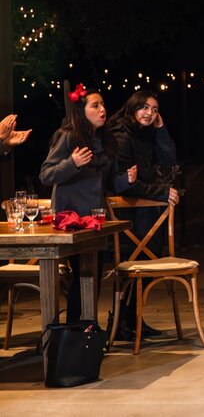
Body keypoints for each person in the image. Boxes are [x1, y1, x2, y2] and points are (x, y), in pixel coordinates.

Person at [40, 84, 137, 322]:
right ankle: (76, 332)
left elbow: (111, 182)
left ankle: (86, 332)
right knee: (82, 277)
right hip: (70, 220)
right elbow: (45, 175)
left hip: (95, 220)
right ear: (81, 111)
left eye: (103, 104)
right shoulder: (67, 136)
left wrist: (127, 180)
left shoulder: (106, 140)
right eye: (96, 105)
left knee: (91, 276)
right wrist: (71, 162)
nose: (103, 109)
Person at [107, 90, 181, 340]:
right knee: (130, 266)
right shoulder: (120, 135)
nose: (150, 113)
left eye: (155, 109)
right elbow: (126, 182)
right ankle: (119, 323)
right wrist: (161, 192)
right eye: (145, 108)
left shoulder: (147, 133)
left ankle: (134, 320)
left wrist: (161, 129)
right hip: (128, 212)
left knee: (148, 265)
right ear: (132, 108)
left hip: (146, 210)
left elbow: (169, 160)